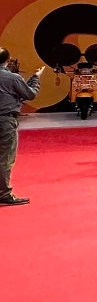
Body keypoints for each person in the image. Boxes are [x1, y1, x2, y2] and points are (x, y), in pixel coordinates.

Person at [0, 47, 45, 207]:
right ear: (8, 60)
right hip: (5, 120)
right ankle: (4, 194)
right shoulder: (12, 78)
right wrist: (36, 78)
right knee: (5, 158)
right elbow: (30, 94)